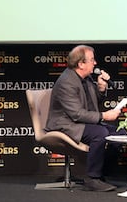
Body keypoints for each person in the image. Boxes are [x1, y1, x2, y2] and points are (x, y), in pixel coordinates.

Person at [46, 44, 122, 192]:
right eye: (92, 60)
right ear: (81, 64)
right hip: (65, 124)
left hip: (81, 121)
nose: (95, 63)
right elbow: (76, 113)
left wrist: (101, 87)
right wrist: (104, 115)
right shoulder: (66, 82)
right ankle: (92, 178)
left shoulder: (85, 79)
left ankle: (101, 174)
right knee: (100, 134)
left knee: (119, 133)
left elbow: (92, 103)